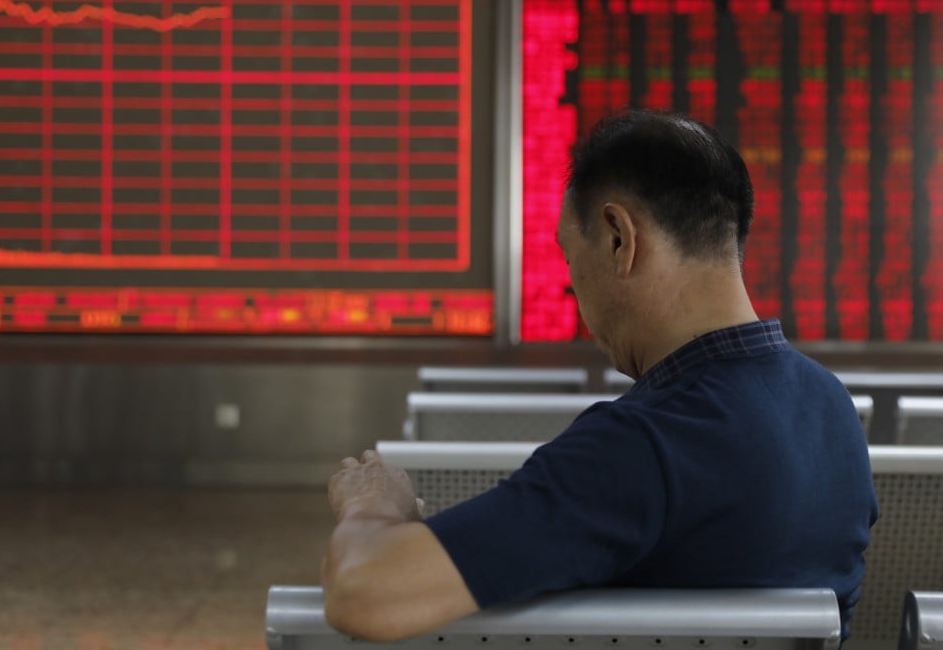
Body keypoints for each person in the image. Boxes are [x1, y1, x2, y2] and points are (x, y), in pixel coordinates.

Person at [322, 109, 879, 643]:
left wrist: (371, 504)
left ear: (619, 238)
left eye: (570, 260)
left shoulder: (643, 448)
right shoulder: (833, 410)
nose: (575, 293)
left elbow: (365, 593)